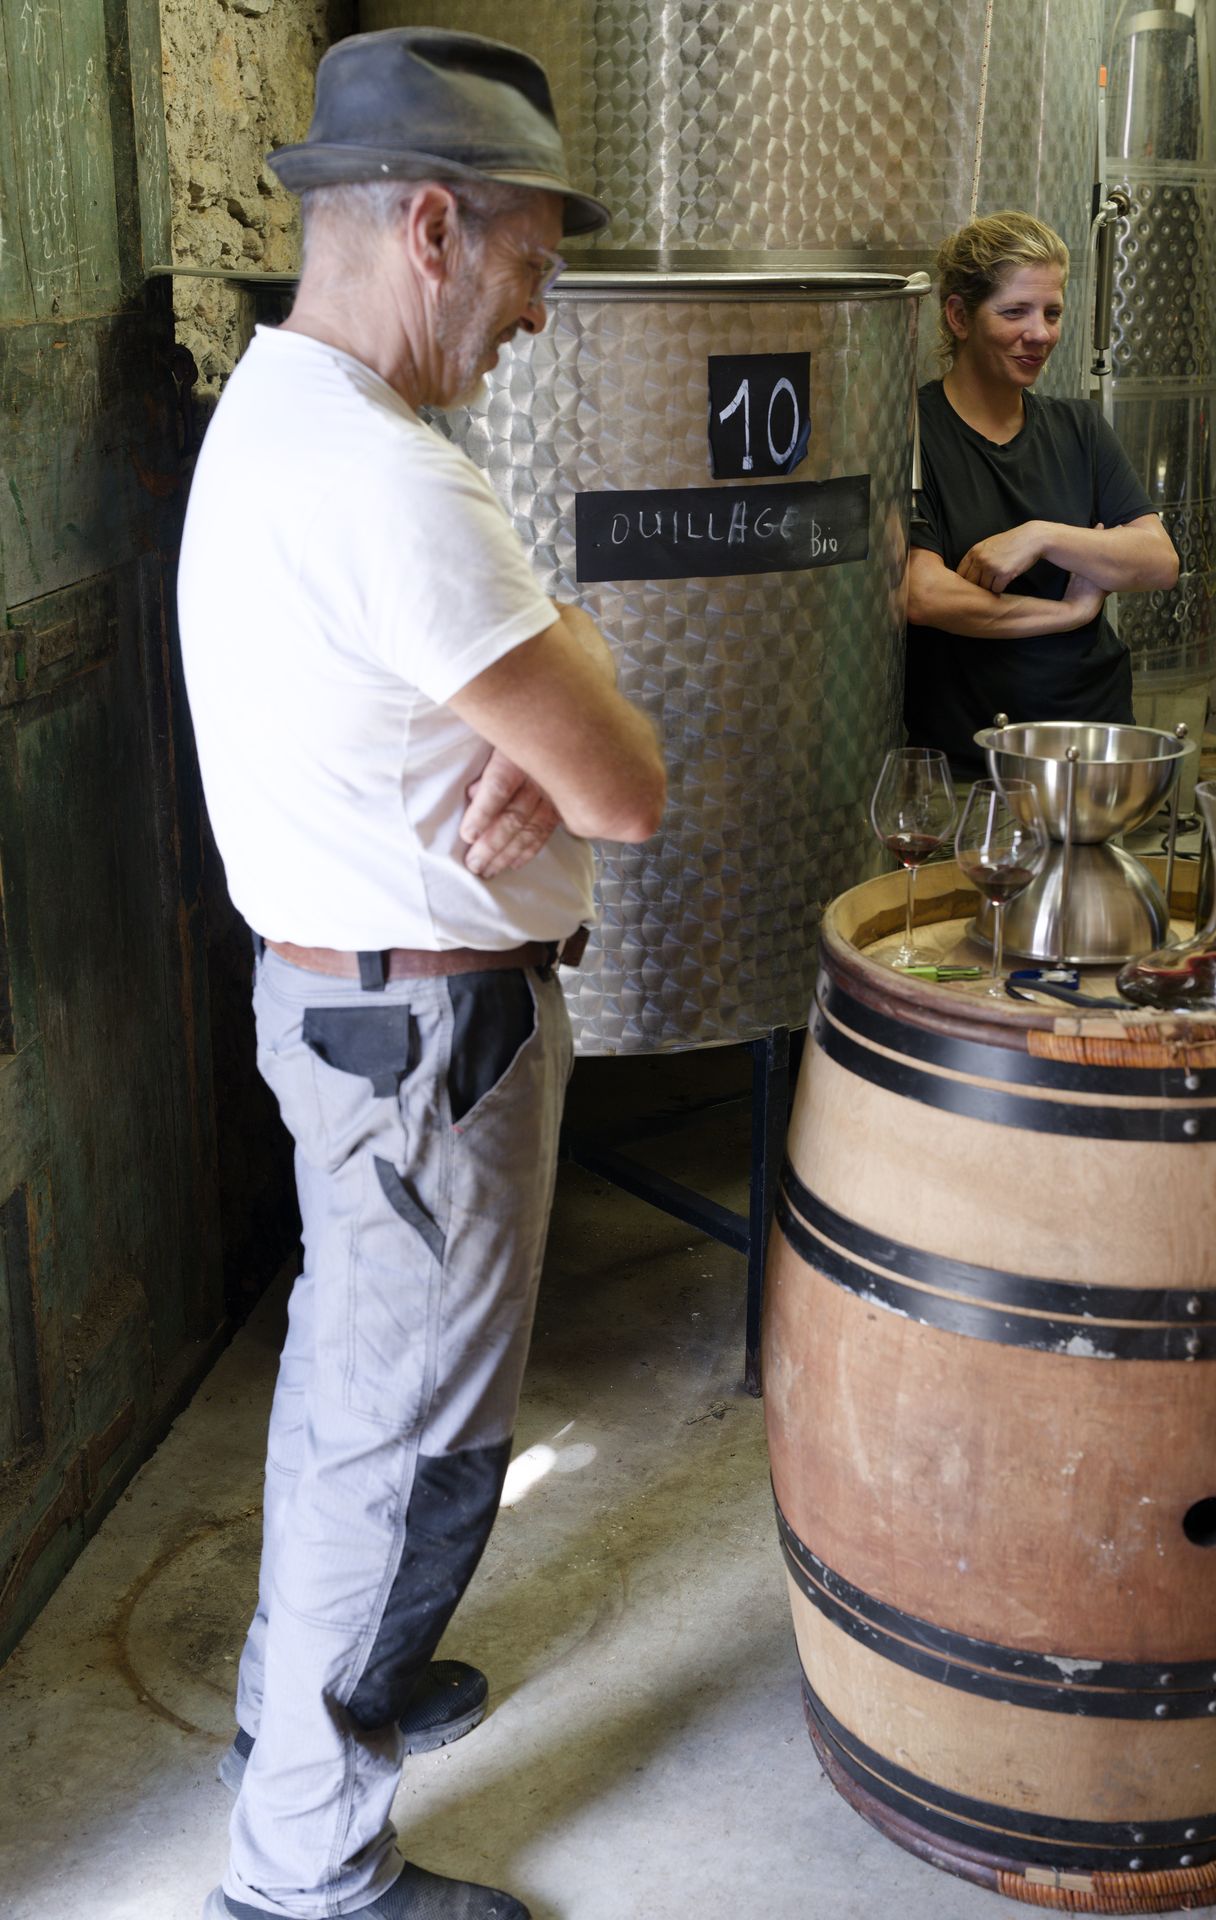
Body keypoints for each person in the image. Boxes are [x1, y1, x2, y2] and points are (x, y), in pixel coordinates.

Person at [177, 28, 665, 1920]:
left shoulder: (280, 413)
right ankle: (306, 1864)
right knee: (413, 1457)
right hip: (425, 1049)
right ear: (438, 229)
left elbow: (550, 706)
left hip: (351, 1017)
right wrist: (573, 699)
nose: (536, 312)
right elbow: (624, 788)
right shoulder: (393, 482)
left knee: (346, 1405)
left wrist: (552, 672)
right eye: (533, 263)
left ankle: (296, 1707)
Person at [905, 210, 1179, 779]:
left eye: (1052, 312)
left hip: (1093, 735)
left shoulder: (1079, 428)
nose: (1041, 334)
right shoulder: (912, 431)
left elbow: (1158, 561)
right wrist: (1068, 612)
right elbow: (924, 594)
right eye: (1015, 312)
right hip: (972, 753)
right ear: (958, 316)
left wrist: (1042, 537)